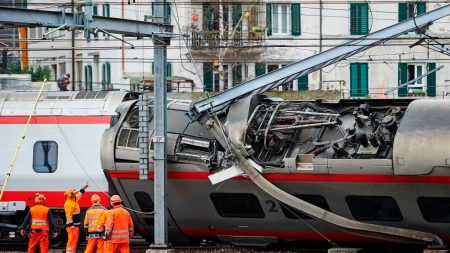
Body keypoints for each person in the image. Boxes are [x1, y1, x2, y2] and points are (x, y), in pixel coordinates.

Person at [64, 183, 88, 253]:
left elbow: (79, 194)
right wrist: (71, 225)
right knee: (71, 241)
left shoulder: (74, 200)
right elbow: (68, 216)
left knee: (74, 241)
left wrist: (84, 188)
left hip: (75, 226)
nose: (75, 194)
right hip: (72, 227)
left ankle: (72, 252)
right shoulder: (69, 203)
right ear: (70, 195)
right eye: (73, 193)